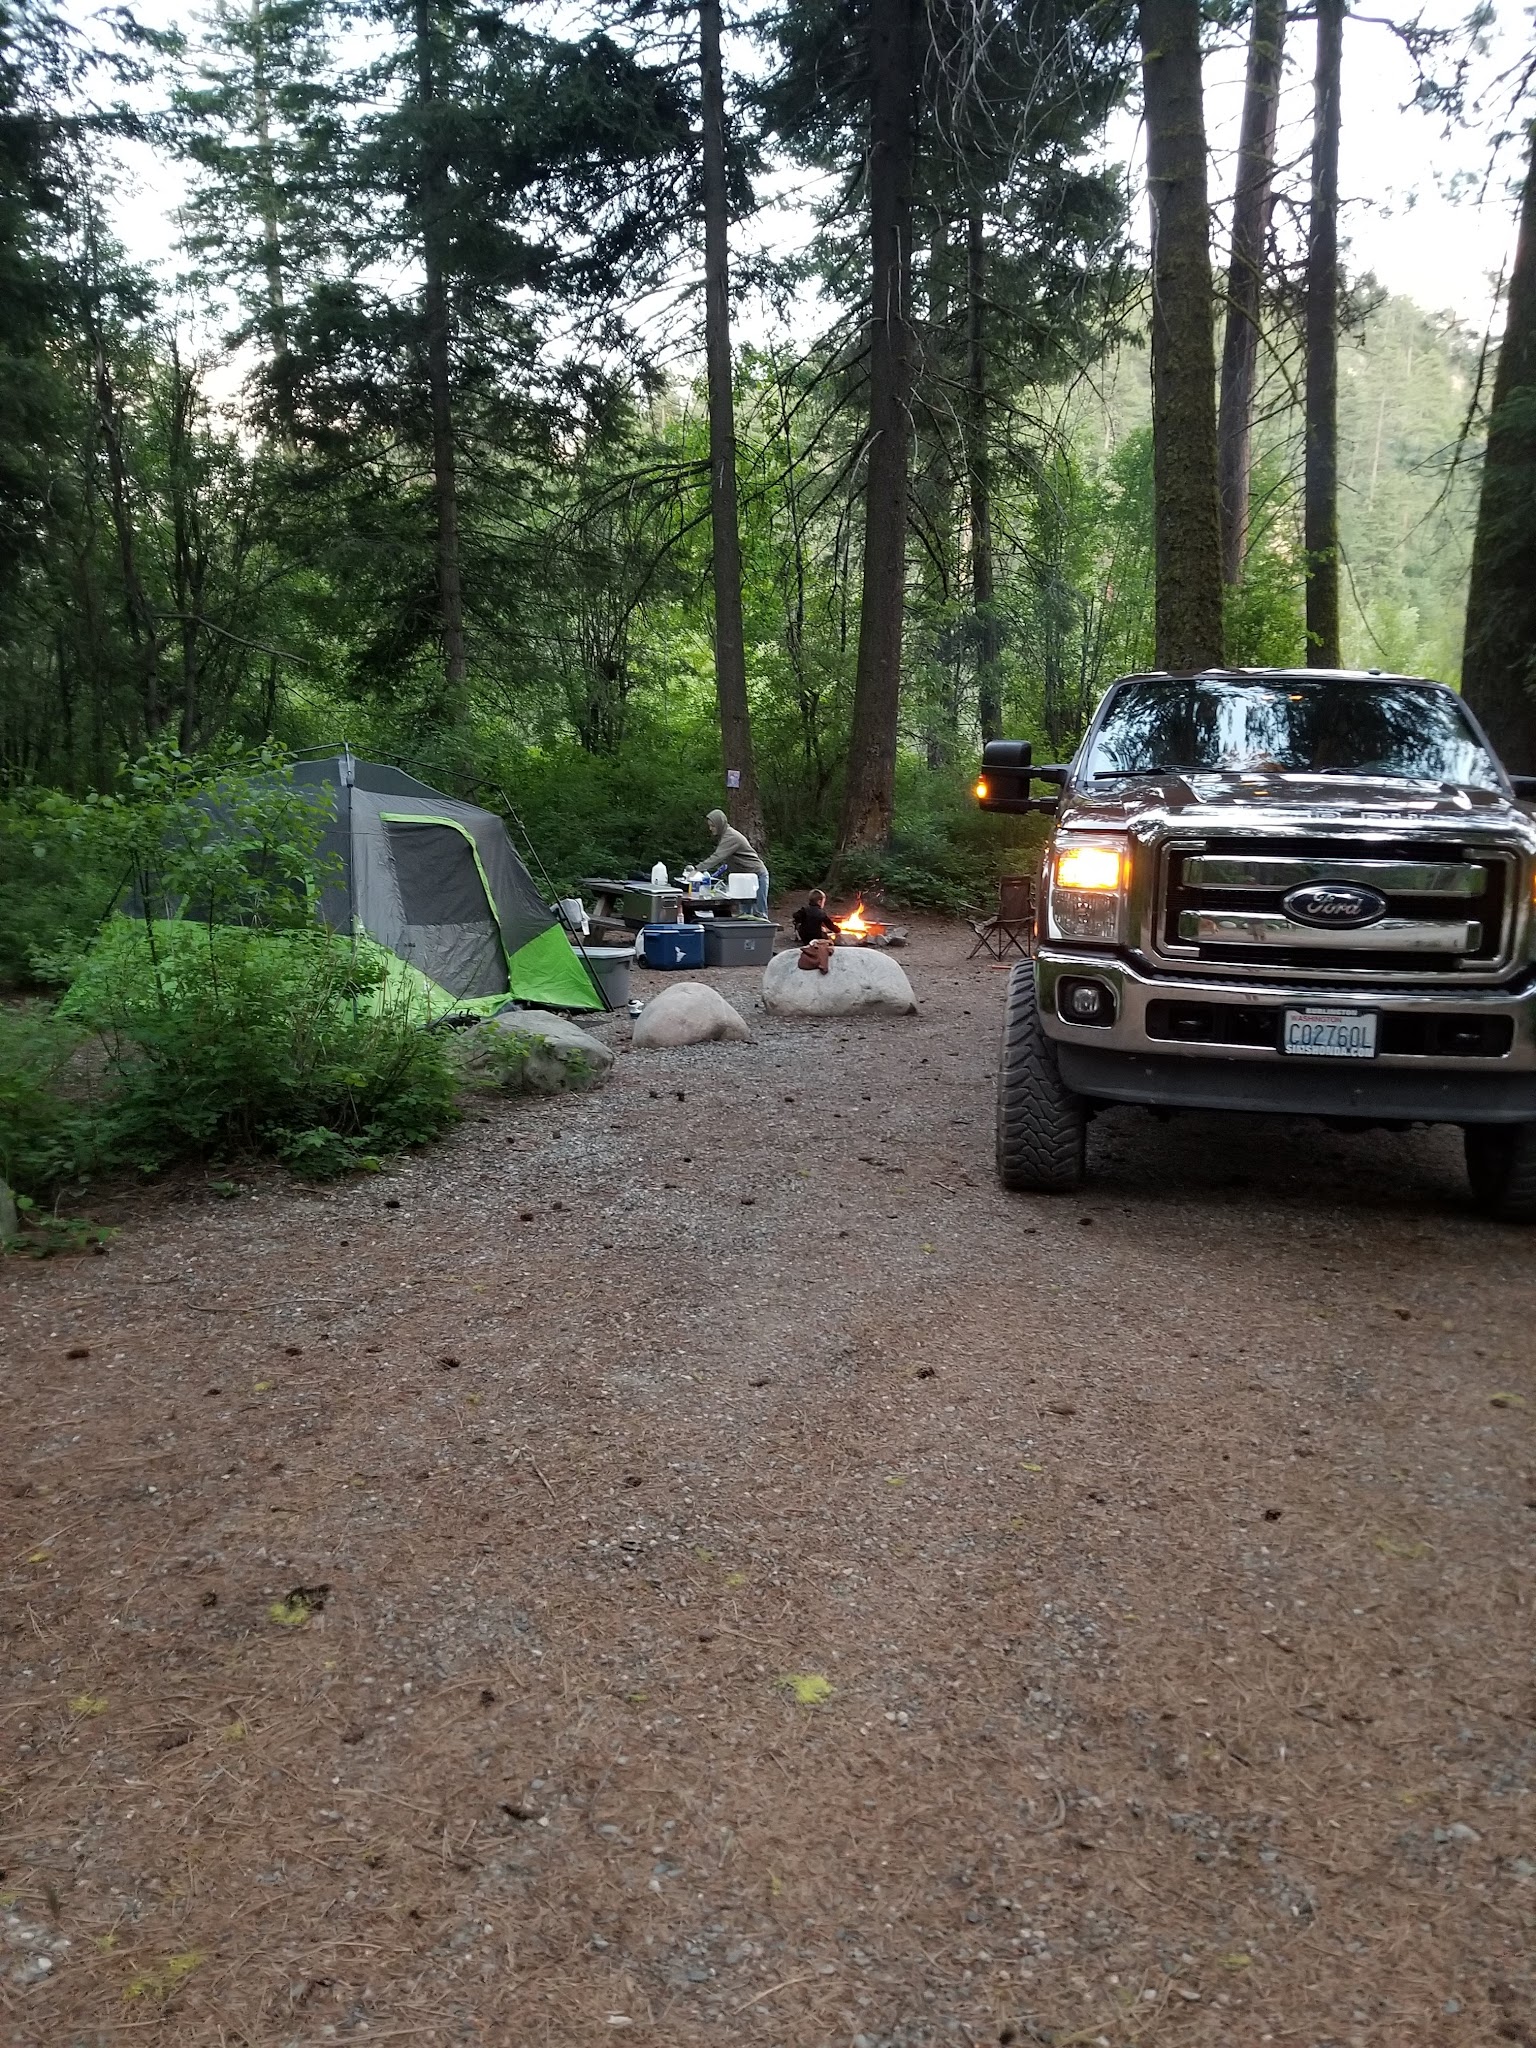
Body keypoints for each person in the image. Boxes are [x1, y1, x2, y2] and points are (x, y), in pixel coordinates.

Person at [699, 808, 769, 917]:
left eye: (713, 826)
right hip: (744, 879)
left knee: (759, 914)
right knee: (744, 915)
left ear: (720, 824)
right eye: (710, 826)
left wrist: (697, 869)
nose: (710, 829)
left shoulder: (730, 836)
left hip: (756, 876)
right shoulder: (724, 836)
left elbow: (717, 856)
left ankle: (763, 927)